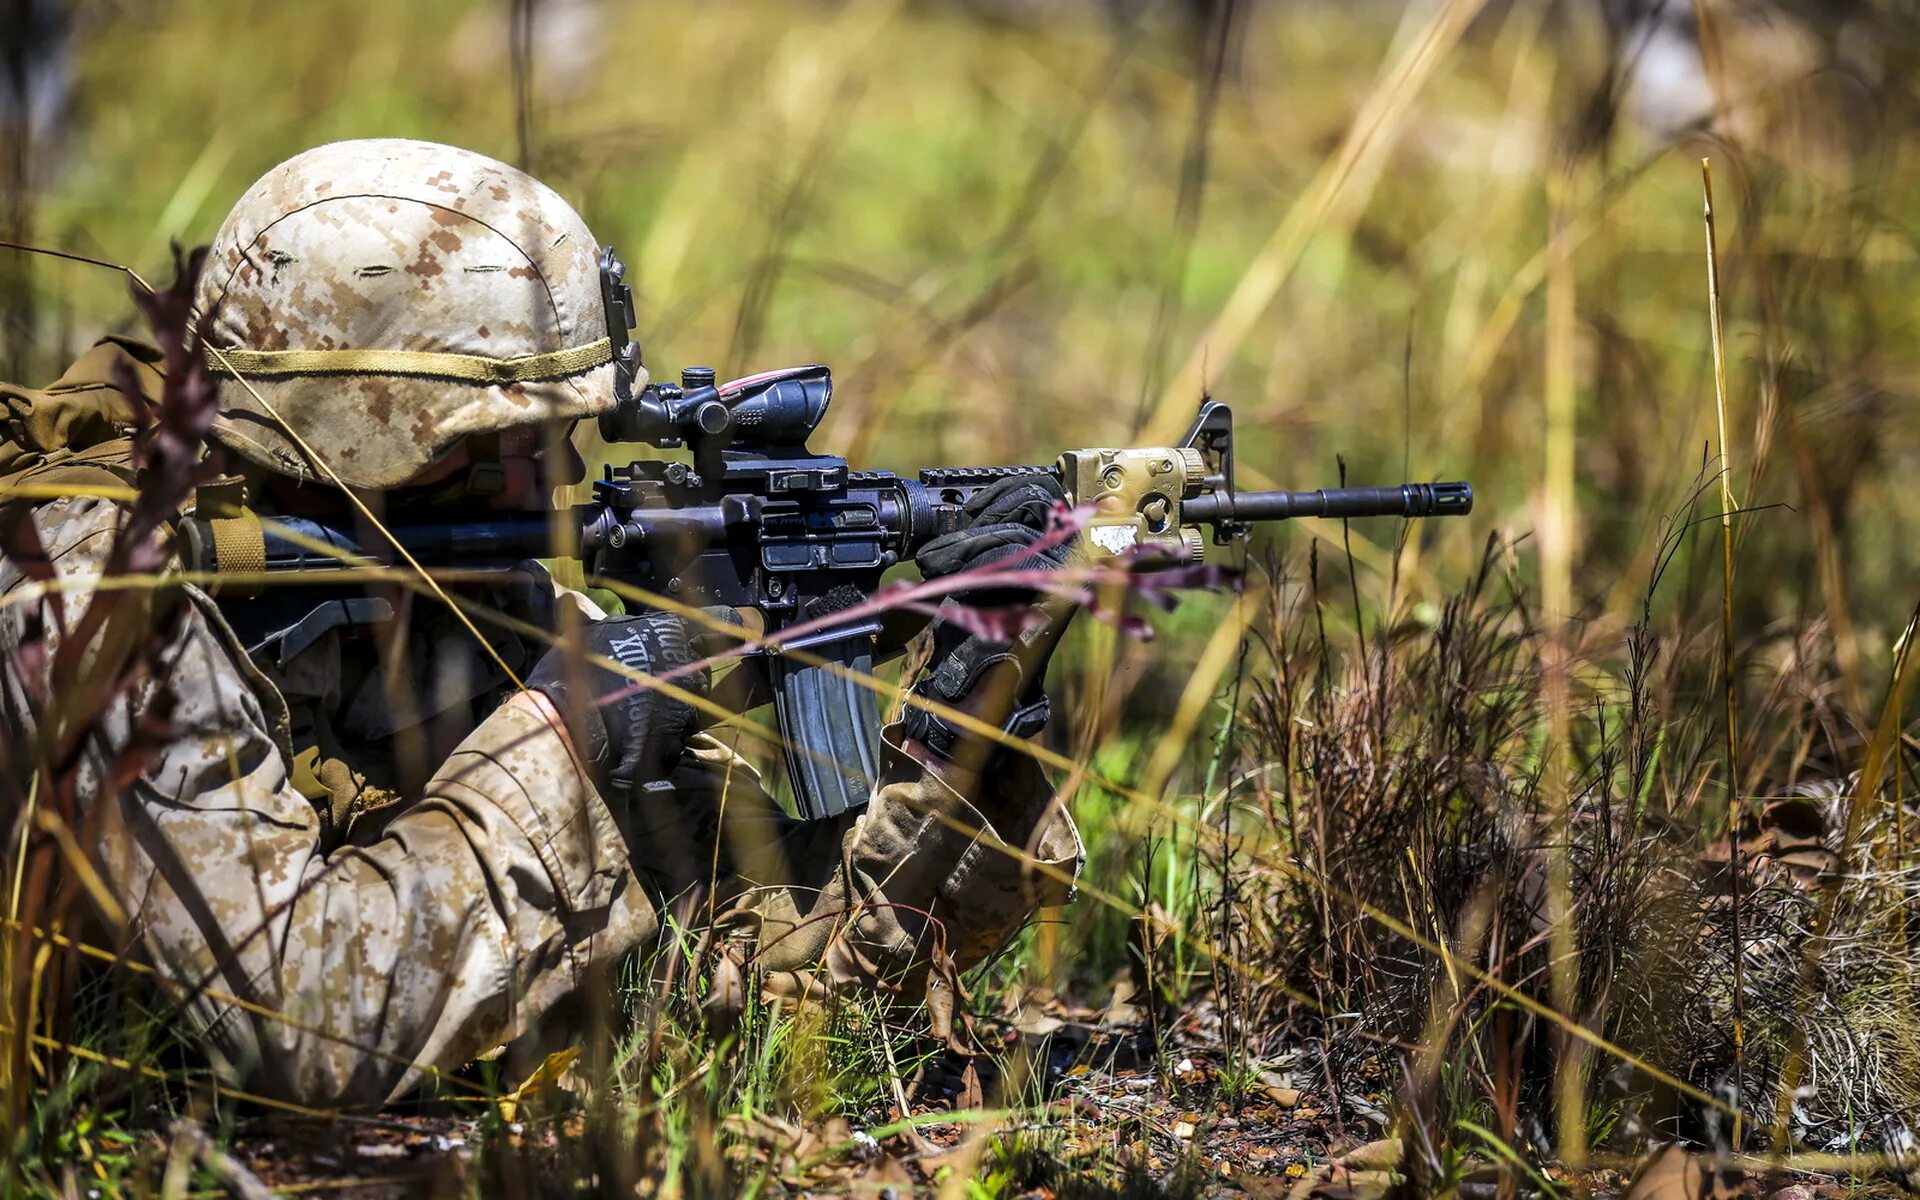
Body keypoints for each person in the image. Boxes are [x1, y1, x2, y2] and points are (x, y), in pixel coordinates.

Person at [0, 138, 1082, 1107]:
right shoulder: (91, 602)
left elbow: (775, 978)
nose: (567, 472)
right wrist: (568, 728)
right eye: (530, 435)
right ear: (392, 438)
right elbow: (308, 1025)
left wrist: (966, 734)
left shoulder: (472, 596)